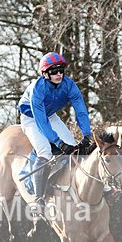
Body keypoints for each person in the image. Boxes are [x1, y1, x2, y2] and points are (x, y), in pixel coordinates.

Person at [18, 51, 92, 216]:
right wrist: (58, 143)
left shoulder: (69, 85)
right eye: (54, 71)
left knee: (73, 147)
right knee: (45, 151)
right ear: (45, 73)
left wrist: (87, 134)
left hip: (51, 116)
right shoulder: (38, 89)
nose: (59, 74)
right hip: (32, 118)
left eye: (61, 70)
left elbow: (81, 111)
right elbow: (41, 123)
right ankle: (39, 200)